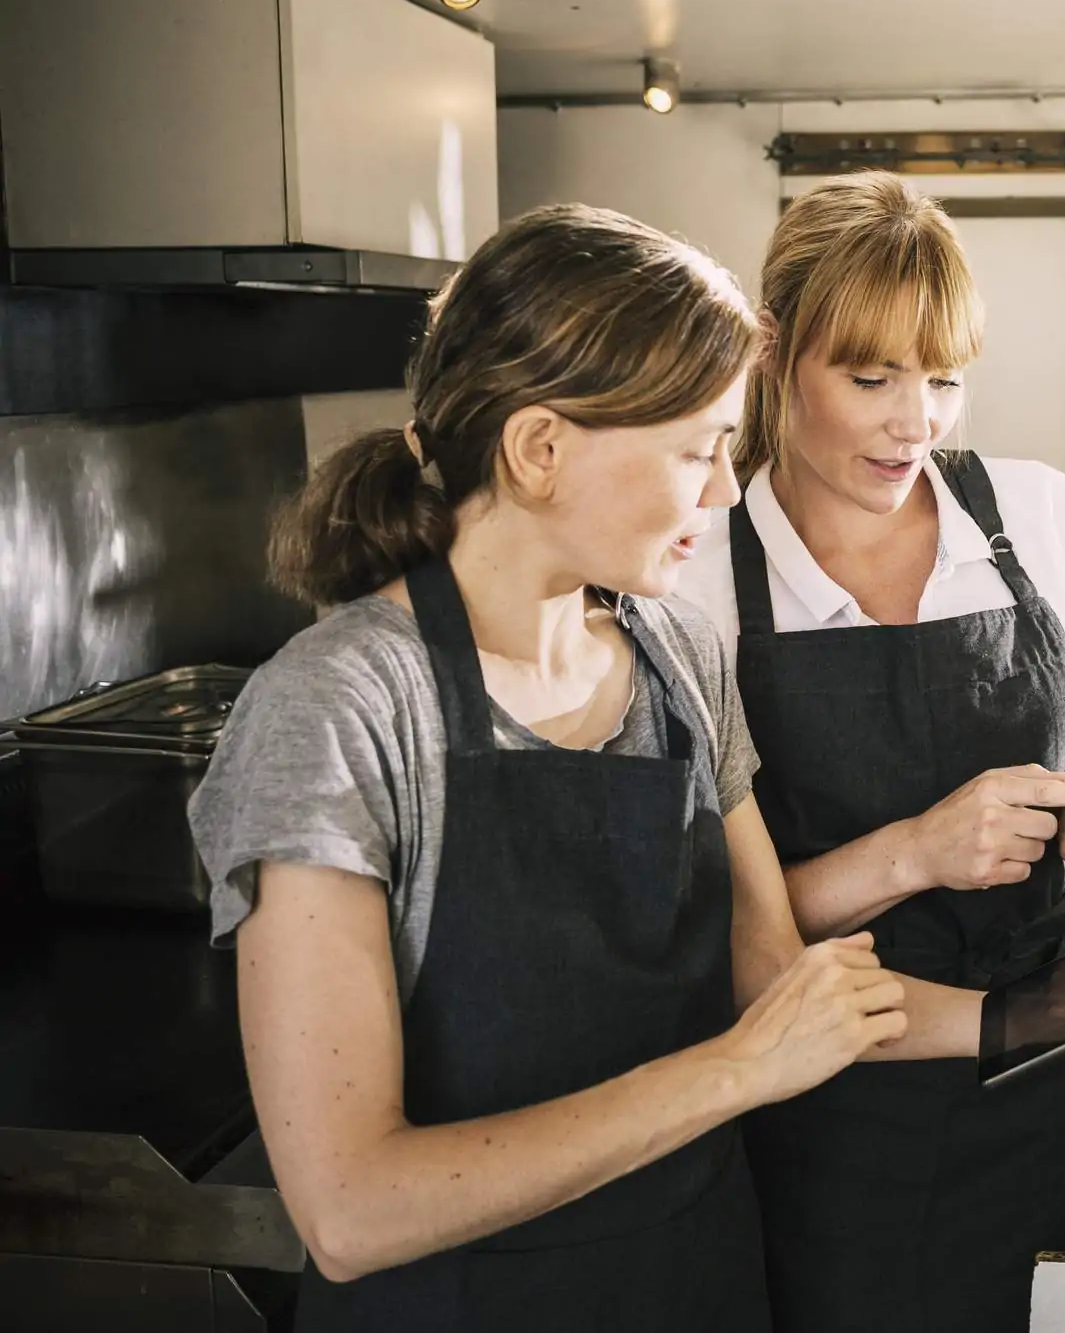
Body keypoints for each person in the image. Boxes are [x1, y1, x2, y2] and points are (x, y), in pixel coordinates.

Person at [187, 205, 913, 1333]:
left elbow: (773, 979)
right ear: (539, 450)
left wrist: (1041, 1015)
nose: (725, 490)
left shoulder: (675, 656)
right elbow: (348, 1208)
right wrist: (733, 1073)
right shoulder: (340, 708)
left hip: (697, 1284)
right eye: (697, 448)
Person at [676, 170, 1065, 1332]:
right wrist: (914, 851)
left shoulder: (1041, 515)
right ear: (775, 351)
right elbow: (704, 928)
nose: (916, 421)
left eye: (944, 378)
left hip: (1032, 1045)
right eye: (871, 378)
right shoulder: (697, 574)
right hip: (811, 1084)